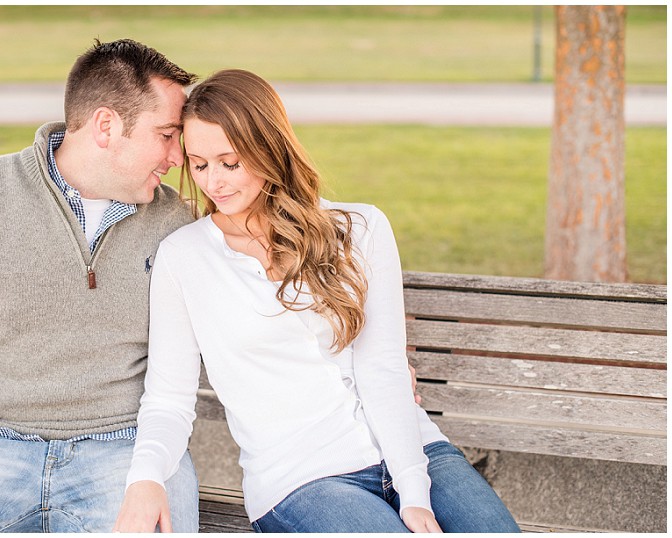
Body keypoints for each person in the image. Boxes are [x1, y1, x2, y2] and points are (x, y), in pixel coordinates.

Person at [113, 69, 521, 533]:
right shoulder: (184, 257)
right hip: (301, 478)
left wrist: (413, 491)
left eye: (230, 162)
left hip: (415, 449)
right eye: (200, 164)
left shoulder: (360, 229)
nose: (214, 183)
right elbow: (168, 398)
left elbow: (382, 368)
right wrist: (144, 479)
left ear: (269, 149)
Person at [0, 39, 201, 533]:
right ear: (107, 126)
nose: (178, 156)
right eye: (166, 135)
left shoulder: (176, 222)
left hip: (126, 452)